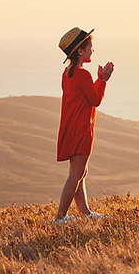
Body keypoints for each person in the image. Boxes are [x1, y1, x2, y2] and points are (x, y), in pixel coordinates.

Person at [54, 27, 115, 223]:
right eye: (90, 47)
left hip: (71, 127)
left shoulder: (68, 74)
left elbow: (86, 98)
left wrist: (98, 80)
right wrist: (103, 80)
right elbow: (95, 100)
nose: (92, 50)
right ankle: (60, 218)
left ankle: (85, 213)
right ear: (80, 51)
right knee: (75, 175)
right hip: (81, 129)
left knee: (80, 172)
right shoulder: (83, 75)